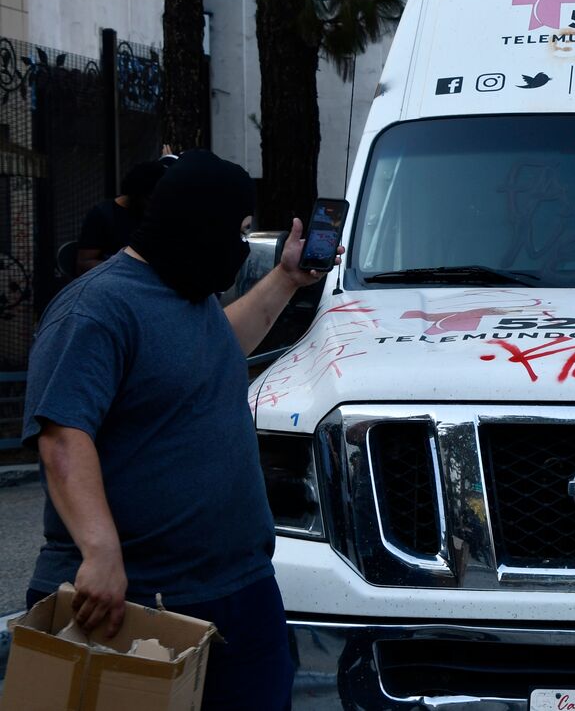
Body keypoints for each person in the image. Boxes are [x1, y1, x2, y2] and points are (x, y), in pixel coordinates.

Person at [21, 152, 339, 710]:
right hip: (139, 603)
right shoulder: (97, 307)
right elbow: (63, 435)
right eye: (236, 231)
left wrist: (289, 277)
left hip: (240, 591)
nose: (240, 248)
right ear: (197, 221)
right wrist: (99, 553)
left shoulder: (186, 295)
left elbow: (219, 346)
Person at [75, 160, 169, 275]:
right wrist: (128, 270)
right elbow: (84, 263)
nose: (156, 205)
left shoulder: (154, 212)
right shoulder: (102, 214)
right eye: (150, 199)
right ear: (137, 193)